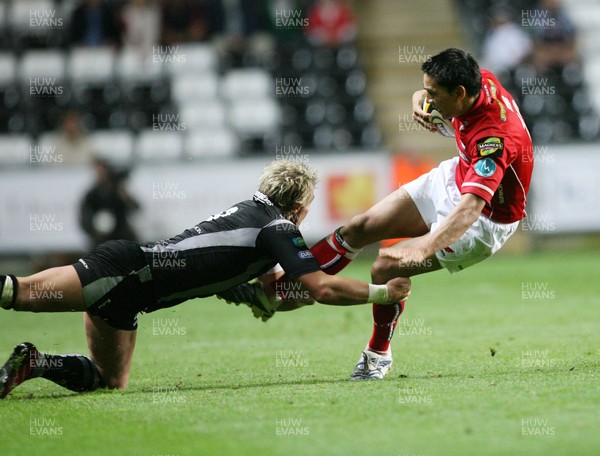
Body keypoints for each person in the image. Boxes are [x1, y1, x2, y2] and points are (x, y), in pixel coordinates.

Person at [232, 48, 534, 380]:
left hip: (482, 221)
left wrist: (425, 246)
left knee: (385, 266)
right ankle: (277, 294)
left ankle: (378, 355)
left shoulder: (495, 139)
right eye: (427, 90)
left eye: (434, 94)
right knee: (360, 227)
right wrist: (419, 100)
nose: (428, 98)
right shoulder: (480, 81)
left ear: (460, 94)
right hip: (455, 176)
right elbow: (431, 97)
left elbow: (469, 210)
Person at [0, 160, 411, 398]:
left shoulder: (251, 212)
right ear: (301, 206)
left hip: (129, 298)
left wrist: (257, 297)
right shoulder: (278, 228)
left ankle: (33, 362)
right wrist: (383, 291)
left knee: (109, 381)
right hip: (120, 269)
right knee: (17, 292)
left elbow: (226, 272)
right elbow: (320, 287)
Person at [80, 158, 140, 248]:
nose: (100, 174)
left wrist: (126, 197)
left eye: (102, 171)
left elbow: (136, 208)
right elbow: (84, 217)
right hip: (100, 238)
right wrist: (94, 231)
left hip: (121, 235)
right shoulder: (92, 194)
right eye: (97, 172)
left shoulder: (118, 191)